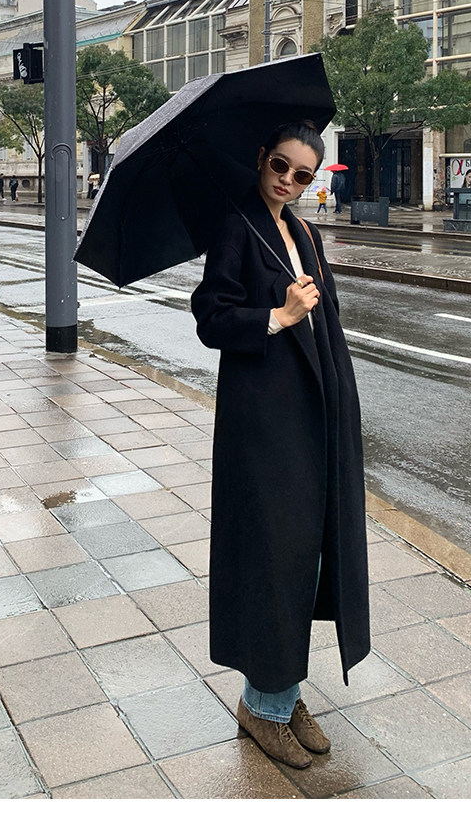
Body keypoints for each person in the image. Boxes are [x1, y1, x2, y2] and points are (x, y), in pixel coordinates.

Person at [190, 120, 370, 769]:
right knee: (275, 556)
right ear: (262, 157)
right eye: (280, 166)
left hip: (313, 415)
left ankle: (282, 693)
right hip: (263, 424)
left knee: (307, 557)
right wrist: (278, 315)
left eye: (302, 174)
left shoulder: (304, 233)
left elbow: (330, 323)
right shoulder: (236, 225)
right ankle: (263, 705)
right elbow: (210, 315)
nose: (287, 181)